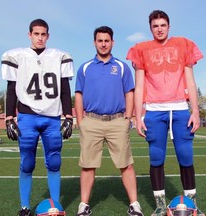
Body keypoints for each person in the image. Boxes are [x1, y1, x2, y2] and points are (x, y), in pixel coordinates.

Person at [127, 10, 204, 216]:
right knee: (156, 157)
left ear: (169, 26)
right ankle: (160, 205)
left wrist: (195, 111)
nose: (159, 29)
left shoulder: (183, 44)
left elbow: (190, 80)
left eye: (162, 25)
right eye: (155, 26)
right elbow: (139, 86)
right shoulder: (141, 49)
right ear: (150, 28)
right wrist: (137, 115)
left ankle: (193, 204)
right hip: (154, 110)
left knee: (186, 156)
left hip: (179, 108)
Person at [1, 19, 74, 216]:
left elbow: (65, 89)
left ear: (48, 36)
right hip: (27, 116)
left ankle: (55, 206)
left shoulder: (59, 56)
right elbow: (11, 89)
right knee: (27, 163)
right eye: (36, 34)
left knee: (54, 162)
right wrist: (9, 117)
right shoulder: (17, 56)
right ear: (29, 35)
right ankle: (25, 206)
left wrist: (69, 115)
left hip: (52, 116)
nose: (40, 38)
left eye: (43, 34)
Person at [75, 26, 144, 216]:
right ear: (94, 42)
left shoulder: (121, 67)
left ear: (112, 42)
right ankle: (84, 205)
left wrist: (127, 118)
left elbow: (129, 92)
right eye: (100, 40)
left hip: (117, 121)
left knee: (126, 164)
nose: (103, 44)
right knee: (88, 165)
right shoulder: (85, 67)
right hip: (92, 121)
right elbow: (78, 95)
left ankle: (134, 204)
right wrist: (81, 121)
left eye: (107, 40)